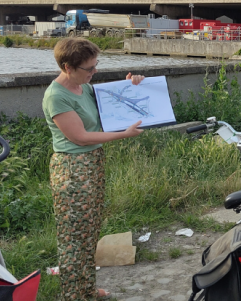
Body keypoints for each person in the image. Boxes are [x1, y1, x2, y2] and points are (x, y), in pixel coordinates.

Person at [42, 38, 146, 301]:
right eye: (89, 69)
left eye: (95, 65)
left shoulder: (83, 87)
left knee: (89, 233)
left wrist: (129, 85)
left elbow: (109, 108)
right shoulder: (57, 96)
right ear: (68, 67)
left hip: (92, 164)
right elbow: (81, 137)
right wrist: (124, 135)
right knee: (74, 238)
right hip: (72, 170)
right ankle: (74, 296)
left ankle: (86, 290)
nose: (94, 72)